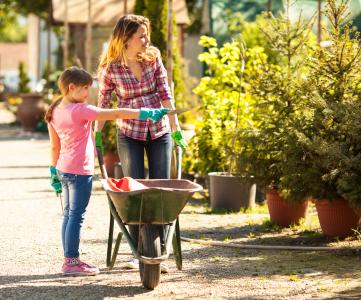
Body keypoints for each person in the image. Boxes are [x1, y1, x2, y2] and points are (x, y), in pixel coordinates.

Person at [45, 66, 169, 276]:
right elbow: (115, 113)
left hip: (63, 170)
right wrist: (145, 112)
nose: (87, 94)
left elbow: (54, 146)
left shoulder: (55, 109)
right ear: (71, 87)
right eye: (84, 89)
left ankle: (69, 258)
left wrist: (53, 172)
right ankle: (71, 262)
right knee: (76, 216)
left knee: (68, 215)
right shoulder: (80, 110)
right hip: (80, 172)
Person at [95, 14, 188, 272]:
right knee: (134, 190)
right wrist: (97, 135)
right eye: (141, 36)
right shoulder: (111, 68)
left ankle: (158, 250)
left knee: (161, 189)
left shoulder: (153, 59)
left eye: (146, 34)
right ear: (126, 39)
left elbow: (164, 92)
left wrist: (176, 128)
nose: (146, 40)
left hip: (159, 130)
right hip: (129, 132)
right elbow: (103, 105)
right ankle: (139, 252)